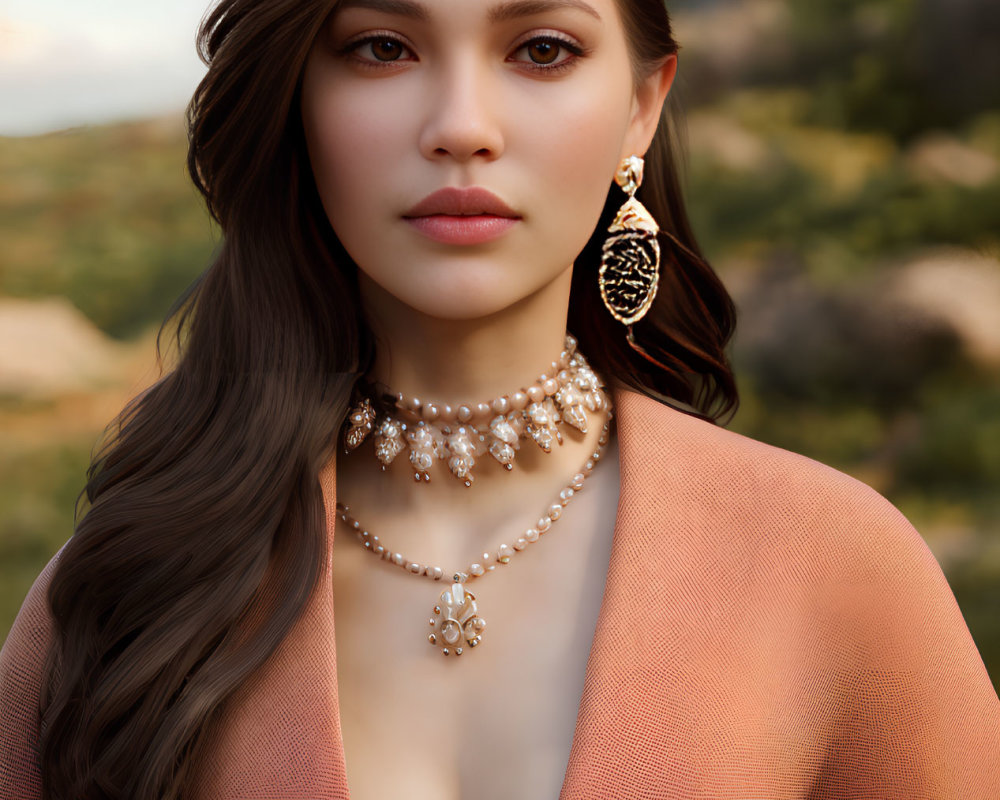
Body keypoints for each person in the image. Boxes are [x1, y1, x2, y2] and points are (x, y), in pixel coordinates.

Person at [2, 0, 998, 797]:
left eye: (544, 48)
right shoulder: (127, 588)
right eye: (383, 46)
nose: (461, 127)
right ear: (297, 98)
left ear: (643, 106)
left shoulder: (835, 564)